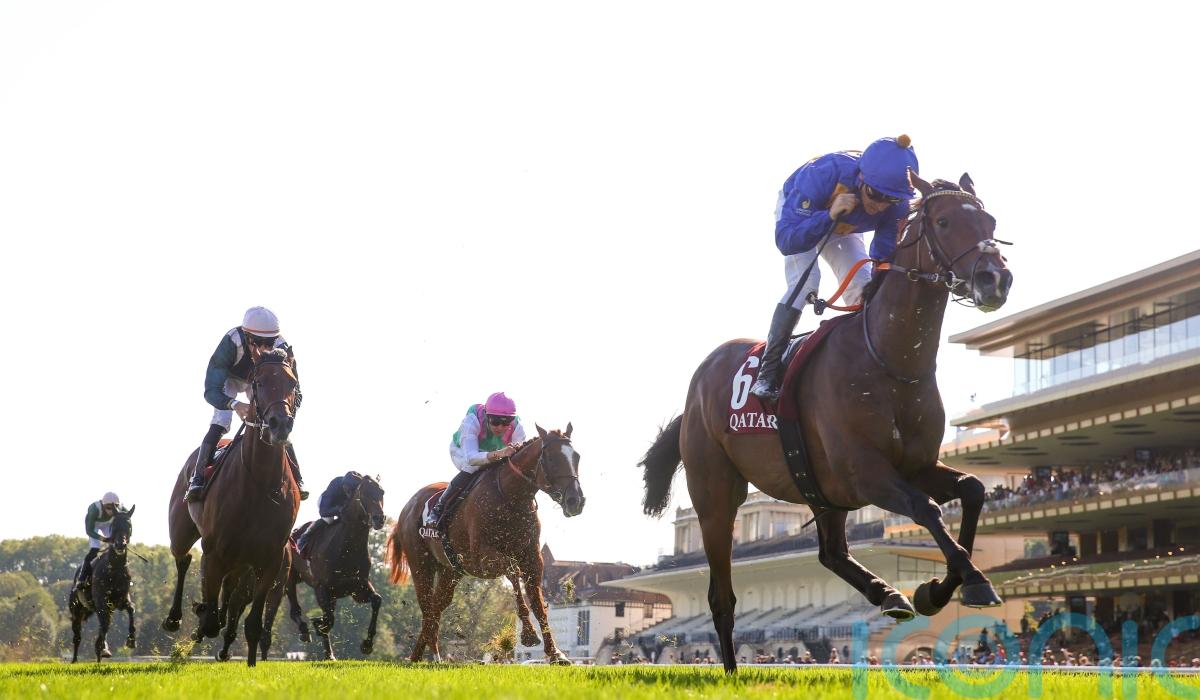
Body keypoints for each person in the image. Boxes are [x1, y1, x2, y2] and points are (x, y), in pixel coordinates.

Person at [750, 135, 919, 401]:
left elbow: (882, 257)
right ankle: (767, 373)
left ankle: (869, 367)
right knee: (806, 283)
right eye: (876, 194)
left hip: (845, 225)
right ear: (861, 179)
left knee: (863, 288)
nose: (880, 205)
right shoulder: (824, 172)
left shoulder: (895, 207)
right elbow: (787, 241)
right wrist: (828, 216)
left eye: (892, 199)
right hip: (802, 217)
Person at [185, 306, 307, 502]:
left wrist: (283, 415)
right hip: (230, 379)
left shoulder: (283, 348)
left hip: (261, 381)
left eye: (269, 342)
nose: (265, 348)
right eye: (258, 342)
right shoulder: (231, 342)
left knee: (276, 421)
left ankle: (297, 477)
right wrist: (234, 404)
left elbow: (296, 392)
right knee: (222, 421)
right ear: (247, 336)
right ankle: (197, 478)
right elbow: (211, 390)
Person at [429, 392, 528, 529]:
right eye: (495, 421)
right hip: (462, 452)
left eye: (506, 422)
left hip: (495, 453)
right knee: (473, 467)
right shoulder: (472, 420)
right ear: (487, 416)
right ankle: (438, 509)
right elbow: (471, 458)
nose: (500, 427)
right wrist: (500, 453)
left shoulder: (517, 427)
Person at [296, 471, 364, 553]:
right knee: (328, 520)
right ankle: (304, 537)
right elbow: (323, 512)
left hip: (341, 506)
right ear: (344, 484)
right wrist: (338, 509)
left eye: (351, 490)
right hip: (326, 504)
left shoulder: (356, 492)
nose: (348, 492)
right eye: (347, 488)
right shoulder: (335, 484)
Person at [74, 492, 121, 595]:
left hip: (108, 524)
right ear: (103, 505)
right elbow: (89, 531)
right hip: (94, 525)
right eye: (108, 508)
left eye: (114, 508)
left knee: (116, 546)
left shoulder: (121, 509)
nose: (111, 511)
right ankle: (81, 578)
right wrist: (103, 539)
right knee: (95, 549)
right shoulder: (94, 509)